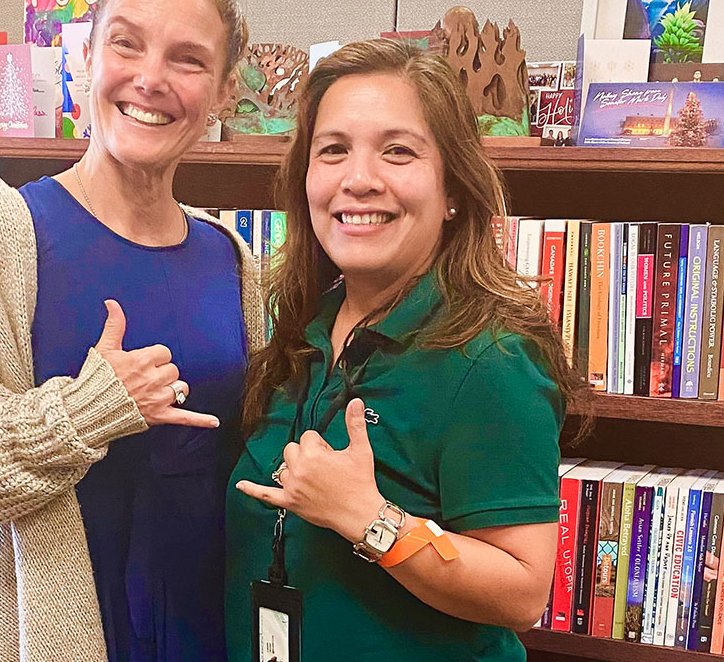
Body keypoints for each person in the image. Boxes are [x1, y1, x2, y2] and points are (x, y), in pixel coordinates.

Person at [0, 0, 262, 662]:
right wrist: (88, 411)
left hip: (207, 623)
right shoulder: (4, 230)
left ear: (222, 90)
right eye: (127, 43)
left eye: (187, 59)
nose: (149, 79)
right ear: (87, 55)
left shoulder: (231, 259)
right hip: (56, 633)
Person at [226, 38, 585, 661]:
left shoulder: (489, 357)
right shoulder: (300, 329)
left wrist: (368, 518)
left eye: (398, 152)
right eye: (333, 151)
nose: (359, 180)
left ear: (451, 189)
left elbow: (524, 591)